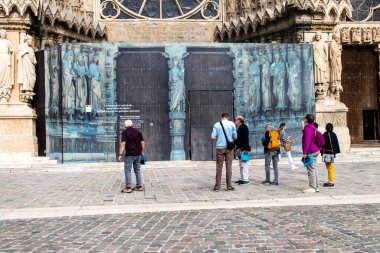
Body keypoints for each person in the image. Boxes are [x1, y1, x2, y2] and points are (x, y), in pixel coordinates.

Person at [211, 113, 237, 191]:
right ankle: (229, 186)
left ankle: (217, 186)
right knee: (229, 167)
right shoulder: (231, 124)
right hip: (229, 148)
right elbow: (235, 136)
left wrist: (218, 139)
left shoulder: (217, 124)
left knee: (219, 167)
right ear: (228, 117)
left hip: (220, 147)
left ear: (221, 117)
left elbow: (213, 136)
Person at [118, 120, 145, 193]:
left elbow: (123, 143)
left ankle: (128, 187)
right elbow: (142, 143)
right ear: (132, 125)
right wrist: (142, 152)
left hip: (130, 154)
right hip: (138, 154)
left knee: (127, 170)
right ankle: (139, 186)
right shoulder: (138, 132)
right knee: (137, 169)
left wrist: (120, 154)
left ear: (125, 126)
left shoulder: (125, 132)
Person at [302, 114, 321, 193]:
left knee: (310, 169)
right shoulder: (312, 127)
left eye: (305, 118)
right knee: (314, 168)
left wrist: (305, 152)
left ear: (307, 120)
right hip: (315, 150)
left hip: (311, 151)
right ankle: (316, 187)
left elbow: (307, 141)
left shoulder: (307, 128)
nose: (304, 119)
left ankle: (312, 187)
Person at [321, 123, 340, 187]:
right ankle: (330, 180)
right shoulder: (334, 134)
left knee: (330, 167)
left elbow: (323, 143)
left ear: (326, 127)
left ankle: (331, 182)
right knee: (329, 166)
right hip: (331, 152)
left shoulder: (326, 134)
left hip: (327, 152)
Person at [234, 116, 251, 185]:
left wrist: (246, 149)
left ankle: (246, 179)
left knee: (245, 164)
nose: (235, 121)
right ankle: (242, 178)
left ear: (239, 120)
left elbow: (246, 138)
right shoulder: (240, 128)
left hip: (244, 149)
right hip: (240, 148)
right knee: (241, 164)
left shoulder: (244, 127)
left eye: (236, 120)